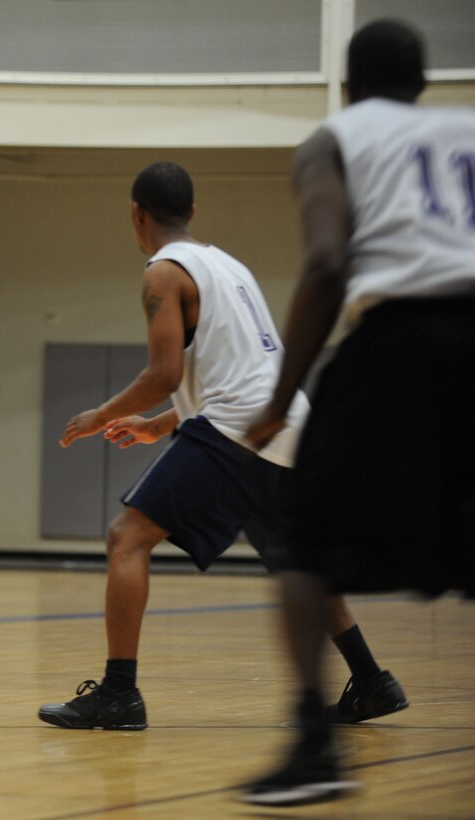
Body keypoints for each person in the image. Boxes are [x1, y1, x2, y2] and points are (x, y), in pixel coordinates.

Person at [37, 161, 406, 735]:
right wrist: (158, 427)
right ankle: (373, 682)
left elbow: (164, 374)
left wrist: (100, 414)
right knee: (296, 566)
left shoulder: (163, 271)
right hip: (288, 425)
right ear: (193, 212)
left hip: (240, 428)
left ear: (137, 214)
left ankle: (118, 693)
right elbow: (228, 371)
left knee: (126, 538)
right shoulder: (229, 265)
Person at [241, 19, 475, 806]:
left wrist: (280, 400)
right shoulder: (465, 130)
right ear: (423, 84)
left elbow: (326, 260)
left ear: (346, 84)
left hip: (404, 336)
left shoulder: (334, 137)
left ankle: (313, 746)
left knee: (302, 540)